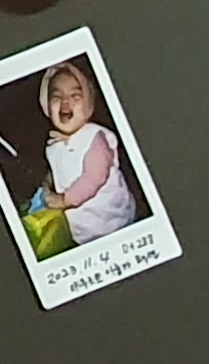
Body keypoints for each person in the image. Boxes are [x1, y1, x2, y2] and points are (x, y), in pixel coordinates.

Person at [24, 58, 142, 249]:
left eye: (75, 96)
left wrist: (64, 200)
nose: (65, 102)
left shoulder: (94, 139)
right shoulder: (55, 145)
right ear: (46, 106)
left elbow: (94, 177)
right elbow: (61, 168)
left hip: (110, 218)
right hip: (83, 223)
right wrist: (49, 181)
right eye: (56, 97)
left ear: (88, 105)